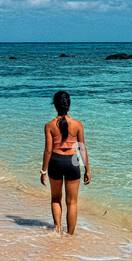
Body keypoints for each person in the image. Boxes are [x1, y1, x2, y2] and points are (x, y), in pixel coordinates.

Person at [40, 90, 91, 235]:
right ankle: (70, 236)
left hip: (55, 161)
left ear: (55, 105)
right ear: (69, 105)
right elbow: (82, 148)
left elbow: (48, 150)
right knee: (72, 202)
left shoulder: (49, 125)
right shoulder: (77, 124)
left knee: (56, 199)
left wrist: (43, 170)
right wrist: (87, 169)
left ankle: (57, 231)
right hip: (73, 162)